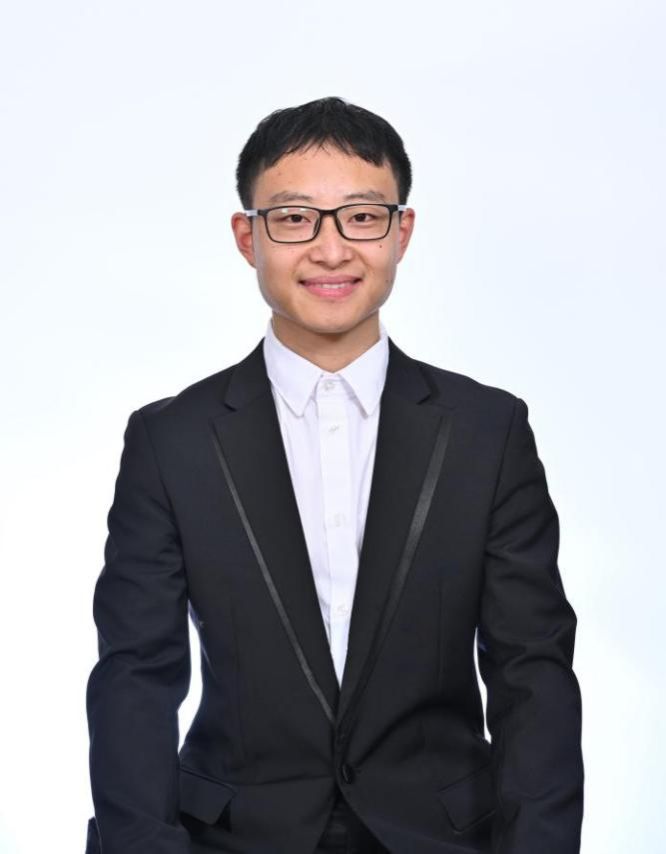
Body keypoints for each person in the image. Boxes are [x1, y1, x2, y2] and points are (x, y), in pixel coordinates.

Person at [85, 96, 584, 854]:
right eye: (293, 218)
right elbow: (134, 677)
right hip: (231, 838)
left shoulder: (489, 431)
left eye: (361, 217)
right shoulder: (170, 440)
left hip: (444, 837)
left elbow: (532, 674)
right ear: (248, 236)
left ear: (401, 232)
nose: (330, 249)